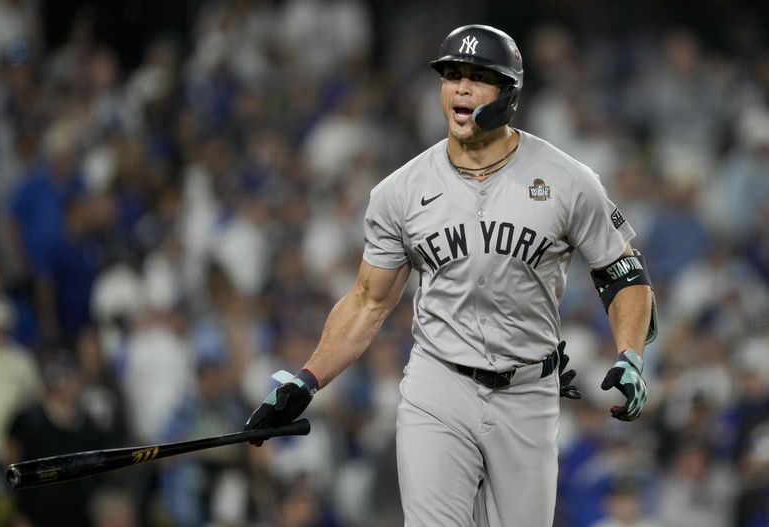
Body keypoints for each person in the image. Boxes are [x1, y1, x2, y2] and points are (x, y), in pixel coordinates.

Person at [245, 24, 656, 526]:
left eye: (478, 77)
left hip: (528, 395)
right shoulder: (400, 191)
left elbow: (623, 276)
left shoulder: (569, 180)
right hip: (438, 386)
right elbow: (368, 302)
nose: (461, 88)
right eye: (452, 75)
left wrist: (631, 353)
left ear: (510, 92)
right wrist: (307, 379)